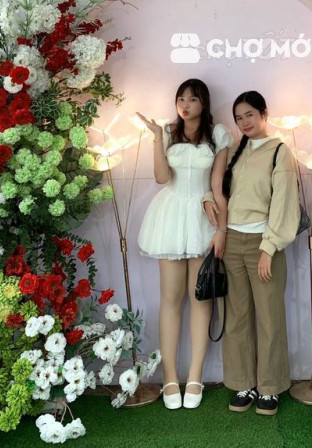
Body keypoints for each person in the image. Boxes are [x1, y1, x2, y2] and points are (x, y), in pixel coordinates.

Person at [137, 79, 232, 410]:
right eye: (181, 99)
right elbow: (162, 178)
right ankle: (169, 377)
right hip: (171, 215)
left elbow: (217, 187)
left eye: (192, 99)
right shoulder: (168, 131)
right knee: (170, 300)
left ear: (204, 102)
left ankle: (195, 376)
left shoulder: (218, 134)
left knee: (200, 298)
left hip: (203, 216)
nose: (185, 104)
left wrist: (222, 229)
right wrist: (156, 138)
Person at [204, 90, 299, 416]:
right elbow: (217, 186)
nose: (244, 122)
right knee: (237, 318)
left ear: (263, 114)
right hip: (231, 243)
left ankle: (270, 387)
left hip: (263, 243)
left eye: (249, 115)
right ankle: (243, 383)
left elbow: (284, 203)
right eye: (239, 117)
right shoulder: (234, 151)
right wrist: (207, 199)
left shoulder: (280, 151)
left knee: (269, 318)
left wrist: (269, 248)